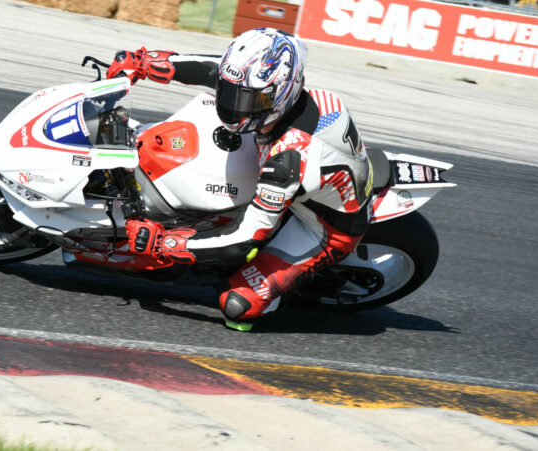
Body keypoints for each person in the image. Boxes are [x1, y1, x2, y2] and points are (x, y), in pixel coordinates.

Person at [106, 28, 373, 331]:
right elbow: (215, 70)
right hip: (298, 172)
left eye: (246, 100)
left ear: (281, 95)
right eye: (231, 93)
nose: (233, 105)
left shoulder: (288, 160)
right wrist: (146, 62)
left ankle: (274, 294)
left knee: (236, 307)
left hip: (321, 228)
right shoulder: (270, 91)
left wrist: (167, 242)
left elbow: (245, 237)